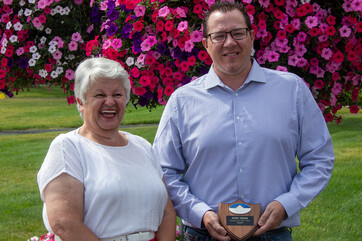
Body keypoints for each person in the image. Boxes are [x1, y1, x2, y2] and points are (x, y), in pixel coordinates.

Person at [153, 1, 334, 241]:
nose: (230, 42)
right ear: (206, 44)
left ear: (252, 36)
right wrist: (200, 212)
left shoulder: (292, 90)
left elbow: (320, 159)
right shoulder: (182, 101)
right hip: (203, 234)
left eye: (238, 33)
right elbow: (163, 170)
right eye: (219, 36)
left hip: (272, 234)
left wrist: (287, 203)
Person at [37, 57, 176, 241]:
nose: (110, 102)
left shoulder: (142, 146)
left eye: (117, 95)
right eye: (100, 95)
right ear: (81, 102)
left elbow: (167, 214)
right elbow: (65, 223)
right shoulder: (68, 148)